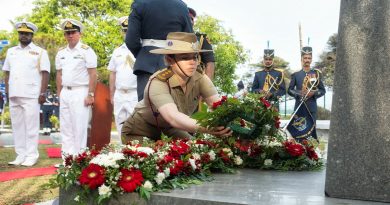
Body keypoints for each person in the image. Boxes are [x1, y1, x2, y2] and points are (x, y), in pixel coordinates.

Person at [122, 32, 231, 143]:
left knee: (195, 149)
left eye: (195, 57)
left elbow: (219, 106)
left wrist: (233, 123)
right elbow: (173, 117)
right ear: (169, 60)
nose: (192, 62)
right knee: (153, 158)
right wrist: (208, 128)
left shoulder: (200, 78)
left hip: (170, 128)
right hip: (141, 130)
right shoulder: (158, 82)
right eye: (185, 57)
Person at [125, 0, 193, 101]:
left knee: (147, 110)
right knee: (175, 109)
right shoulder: (181, 5)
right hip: (175, 64)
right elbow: (189, 38)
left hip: (147, 65)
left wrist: (143, 55)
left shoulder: (140, 3)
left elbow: (131, 41)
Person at [3, 21, 50, 166]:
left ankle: (31, 155)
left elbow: (45, 73)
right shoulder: (11, 51)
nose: (23, 36)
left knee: (31, 127)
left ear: (32, 35)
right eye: (21, 33)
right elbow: (7, 72)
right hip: (14, 93)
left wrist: (42, 93)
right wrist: (7, 90)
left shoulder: (40, 52)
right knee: (17, 126)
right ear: (18, 34)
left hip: (31, 94)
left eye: (27, 33)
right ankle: (20, 154)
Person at [55, 19, 97, 158]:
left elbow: (93, 74)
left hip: (81, 91)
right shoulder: (61, 53)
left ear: (80, 33)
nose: (70, 35)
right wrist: (59, 93)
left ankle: (79, 158)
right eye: (67, 33)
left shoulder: (87, 50)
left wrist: (91, 94)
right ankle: (67, 158)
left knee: (79, 127)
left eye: (73, 32)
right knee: (66, 127)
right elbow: (59, 74)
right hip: (65, 92)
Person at [108, 16, 137, 143]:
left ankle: (136, 154)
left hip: (134, 93)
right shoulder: (117, 51)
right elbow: (112, 74)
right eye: (124, 31)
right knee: (120, 125)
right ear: (122, 32)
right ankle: (122, 152)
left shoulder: (139, 49)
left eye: (129, 30)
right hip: (119, 94)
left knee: (135, 126)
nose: (126, 33)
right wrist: (111, 94)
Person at [287, 46, 326, 140]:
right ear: (301, 59)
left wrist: (313, 93)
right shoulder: (296, 74)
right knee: (298, 136)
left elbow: (322, 90)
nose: (307, 60)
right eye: (305, 58)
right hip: (299, 109)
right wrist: (298, 93)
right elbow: (290, 90)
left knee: (310, 137)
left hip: (311, 109)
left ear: (311, 59)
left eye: (309, 58)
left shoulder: (316, 74)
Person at [188, 7, 216, 79]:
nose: (190, 21)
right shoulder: (173, 37)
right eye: (188, 18)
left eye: (192, 19)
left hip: (195, 81)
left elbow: (210, 63)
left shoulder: (202, 39)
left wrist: (206, 87)